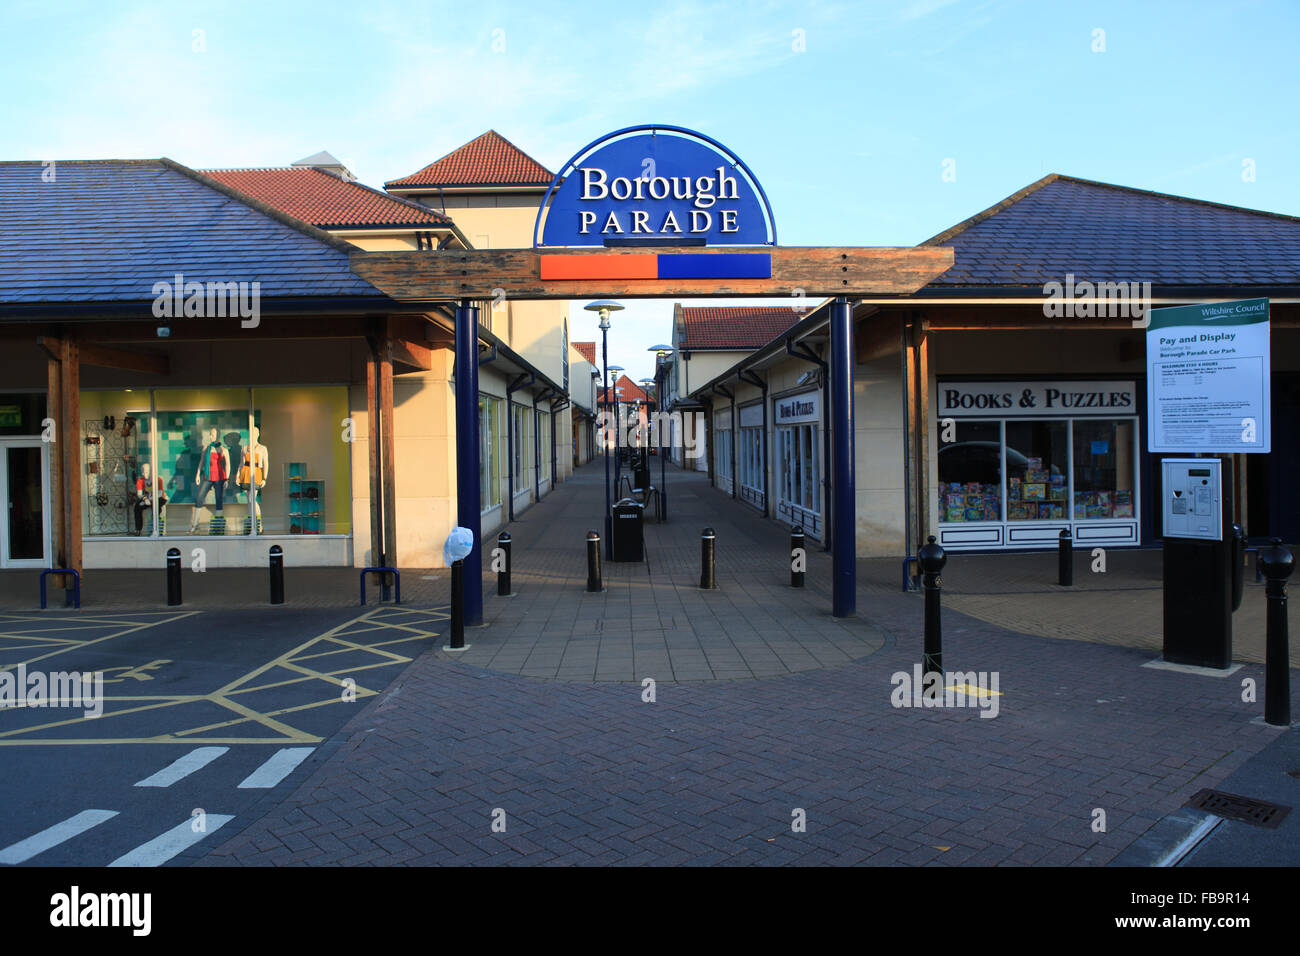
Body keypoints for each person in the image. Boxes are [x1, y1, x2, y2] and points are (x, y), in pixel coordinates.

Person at [189, 428, 229, 533]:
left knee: (219, 499)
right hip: (208, 476)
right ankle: (195, 524)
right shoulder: (206, 448)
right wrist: (198, 474)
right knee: (199, 498)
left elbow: (228, 465)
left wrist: (227, 479)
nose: (211, 436)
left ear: (218, 435)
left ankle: (219, 526)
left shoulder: (223, 449)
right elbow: (202, 461)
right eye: (210, 434)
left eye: (213, 434)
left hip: (219, 476)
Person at [132, 463, 166, 535]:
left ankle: (157, 527)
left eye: (146, 472)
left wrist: (150, 500)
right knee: (137, 507)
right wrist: (145, 499)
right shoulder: (140, 480)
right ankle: (138, 529)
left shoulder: (158, 479)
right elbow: (139, 494)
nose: (144, 474)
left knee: (156, 506)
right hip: (147, 498)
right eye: (143, 472)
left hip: (159, 497)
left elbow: (160, 493)